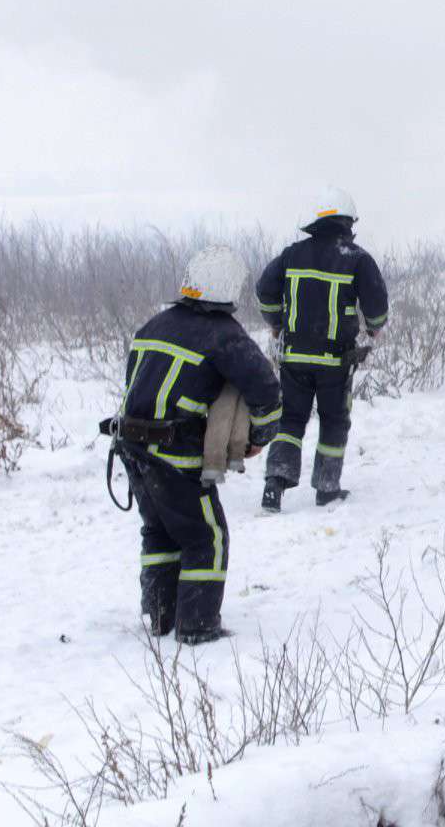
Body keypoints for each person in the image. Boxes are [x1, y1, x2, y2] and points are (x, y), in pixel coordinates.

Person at [109, 246, 281, 643]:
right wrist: (258, 438)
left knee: (159, 531)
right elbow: (266, 391)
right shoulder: (225, 335)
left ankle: (160, 617)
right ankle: (198, 627)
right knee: (207, 537)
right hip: (174, 455)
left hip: (131, 448)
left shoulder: (153, 325)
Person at [254, 187, 389, 511]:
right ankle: (327, 489)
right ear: (347, 222)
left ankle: (275, 484)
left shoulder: (291, 255)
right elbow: (377, 307)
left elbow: (264, 290)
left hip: (295, 358)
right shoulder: (357, 258)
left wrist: (276, 322)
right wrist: (373, 327)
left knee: (290, 420)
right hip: (335, 362)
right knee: (333, 420)